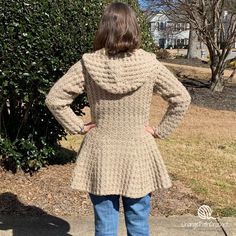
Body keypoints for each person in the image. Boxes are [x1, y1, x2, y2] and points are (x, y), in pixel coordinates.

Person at [45, 2, 191, 235]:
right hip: (138, 153)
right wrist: (159, 130)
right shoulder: (150, 64)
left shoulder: (89, 63)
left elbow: (55, 99)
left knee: (105, 225)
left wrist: (79, 127)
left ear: (104, 28)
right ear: (133, 27)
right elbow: (181, 98)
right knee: (138, 224)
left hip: (101, 153)